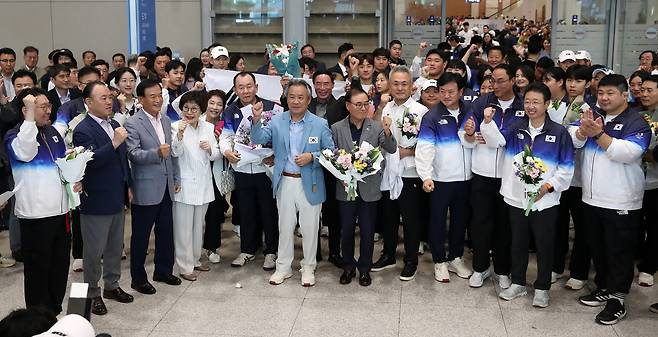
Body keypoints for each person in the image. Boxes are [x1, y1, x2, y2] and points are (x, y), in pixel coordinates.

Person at [480, 82, 574, 308]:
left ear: (547, 104)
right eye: (528, 101)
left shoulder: (559, 132)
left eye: (536, 102)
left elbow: (567, 168)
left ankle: (542, 288)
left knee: (544, 244)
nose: (531, 106)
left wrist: (548, 187)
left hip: (545, 200)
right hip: (516, 198)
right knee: (518, 242)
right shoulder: (516, 127)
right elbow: (496, 142)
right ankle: (519, 283)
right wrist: (487, 123)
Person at [572, 74, 650, 325]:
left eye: (610, 93)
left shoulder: (636, 122)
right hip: (592, 197)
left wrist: (597, 135)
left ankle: (618, 299)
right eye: (601, 93)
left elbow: (628, 153)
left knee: (620, 251)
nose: (604, 98)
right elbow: (573, 136)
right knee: (599, 248)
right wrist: (584, 132)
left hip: (621, 200)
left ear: (624, 95)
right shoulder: (593, 114)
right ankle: (604, 287)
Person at [5, 87, 82, 315]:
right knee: (38, 271)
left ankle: (54, 311)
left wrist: (74, 177)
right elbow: (26, 152)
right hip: (36, 217)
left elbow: (60, 167)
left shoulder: (53, 133)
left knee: (59, 268)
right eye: (42, 107)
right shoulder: (15, 135)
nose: (49, 111)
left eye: (50, 106)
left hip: (60, 213)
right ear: (26, 110)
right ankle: (37, 318)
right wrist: (29, 116)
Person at [250, 79, 334, 286]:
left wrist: (312, 157)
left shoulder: (320, 123)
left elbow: (330, 152)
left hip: (310, 181)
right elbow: (258, 137)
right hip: (285, 180)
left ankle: (308, 267)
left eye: (300, 97)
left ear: (308, 100)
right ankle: (283, 267)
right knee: (285, 227)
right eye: (291, 97)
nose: (295, 101)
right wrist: (257, 118)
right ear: (286, 99)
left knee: (309, 228)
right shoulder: (277, 121)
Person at [461, 64, 525, 289]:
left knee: (504, 225)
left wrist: (485, 131)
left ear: (512, 82)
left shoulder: (522, 105)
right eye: (492, 80)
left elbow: (506, 140)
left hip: (510, 174)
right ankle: (479, 268)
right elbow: (465, 134)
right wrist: (471, 133)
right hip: (482, 173)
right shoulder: (482, 102)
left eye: (500, 81)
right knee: (480, 223)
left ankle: (502, 269)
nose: (495, 85)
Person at [72, 81, 134, 315]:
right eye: (103, 98)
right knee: (93, 251)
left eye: (110, 97)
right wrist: (114, 142)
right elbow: (89, 162)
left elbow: (122, 159)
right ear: (88, 103)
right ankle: (92, 293)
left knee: (114, 247)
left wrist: (127, 185)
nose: (109, 101)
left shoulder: (115, 123)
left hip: (116, 195)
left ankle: (112, 285)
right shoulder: (83, 130)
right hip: (95, 198)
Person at [333, 87, 396, 287]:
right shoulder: (336, 128)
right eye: (358, 104)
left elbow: (391, 148)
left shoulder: (376, 127)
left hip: (369, 188)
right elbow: (331, 155)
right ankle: (348, 266)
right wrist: (340, 172)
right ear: (348, 106)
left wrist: (387, 131)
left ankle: (365, 268)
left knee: (368, 231)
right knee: (347, 229)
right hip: (346, 188)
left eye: (366, 103)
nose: (362, 107)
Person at [125, 79, 182, 295]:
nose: (158, 99)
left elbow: (172, 154)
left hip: (166, 186)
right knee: (141, 235)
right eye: (152, 96)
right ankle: (138, 279)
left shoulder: (166, 120)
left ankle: (163, 270)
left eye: (159, 95)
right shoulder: (133, 123)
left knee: (166, 231)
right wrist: (155, 153)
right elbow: (132, 154)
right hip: (146, 187)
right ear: (141, 100)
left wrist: (175, 178)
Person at [372, 66, 428, 281]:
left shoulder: (420, 111)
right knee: (389, 216)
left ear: (412, 86)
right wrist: (379, 107)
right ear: (389, 84)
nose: (400, 88)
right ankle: (388, 255)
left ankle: (411, 260)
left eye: (404, 83)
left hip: (410, 171)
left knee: (411, 219)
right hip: (387, 170)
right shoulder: (386, 108)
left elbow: (426, 144)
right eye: (395, 83)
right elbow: (377, 132)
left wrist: (406, 151)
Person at [416, 73, 472, 283]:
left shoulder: (469, 112)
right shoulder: (432, 117)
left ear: (460, 92)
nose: (446, 96)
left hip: (465, 179)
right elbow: (424, 148)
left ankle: (455, 258)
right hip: (440, 179)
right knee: (437, 221)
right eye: (442, 92)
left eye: (451, 92)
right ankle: (439, 261)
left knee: (460, 221)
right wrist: (426, 176)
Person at [219, 72, 279, 270]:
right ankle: (247, 250)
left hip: (266, 169)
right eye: (241, 87)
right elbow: (226, 135)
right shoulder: (230, 110)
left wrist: (277, 155)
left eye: (249, 86)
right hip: (242, 169)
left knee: (268, 211)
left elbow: (281, 135)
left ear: (256, 87)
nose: (245, 91)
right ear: (235, 89)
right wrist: (227, 151)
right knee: (245, 210)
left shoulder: (271, 107)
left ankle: (271, 251)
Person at [171, 90, 220, 281]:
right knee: (183, 227)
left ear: (201, 110)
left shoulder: (208, 127)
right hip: (183, 185)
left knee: (199, 224)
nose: (189, 112)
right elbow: (175, 153)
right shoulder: (176, 127)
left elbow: (216, 153)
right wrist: (181, 135)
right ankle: (184, 265)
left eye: (194, 109)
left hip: (204, 183)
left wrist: (210, 150)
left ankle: (195, 259)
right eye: (186, 108)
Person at [201, 89, 230, 264]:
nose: (215, 107)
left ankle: (211, 247)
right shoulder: (195, 118)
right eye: (211, 102)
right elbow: (176, 105)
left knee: (214, 212)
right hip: (196, 172)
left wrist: (212, 148)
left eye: (219, 104)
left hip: (216, 173)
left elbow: (221, 152)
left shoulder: (224, 125)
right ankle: (192, 246)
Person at [637, 75, 658, 287]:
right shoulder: (637, 114)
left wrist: (650, 154)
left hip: (655, 181)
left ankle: (648, 267)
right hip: (636, 179)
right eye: (642, 90)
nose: (644, 94)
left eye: (650, 90)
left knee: (654, 227)